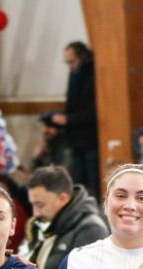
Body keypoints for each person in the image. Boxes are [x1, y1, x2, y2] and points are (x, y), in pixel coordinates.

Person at [23, 166, 110, 269]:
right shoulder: (44, 224)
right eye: (33, 205)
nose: (35, 213)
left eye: (40, 205)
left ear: (63, 198)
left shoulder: (91, 230)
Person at [56, 41, 98, 192]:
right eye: (67, 62)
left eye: (72, 61)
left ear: (83, 57)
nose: (70, 66)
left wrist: (69, 119)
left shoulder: (93, 76)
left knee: (93, 182)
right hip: (76, 139)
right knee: (77, 182)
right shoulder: (75, 75)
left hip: (90, 138)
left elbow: (95, 110)